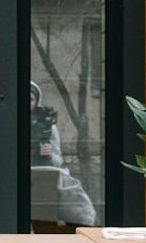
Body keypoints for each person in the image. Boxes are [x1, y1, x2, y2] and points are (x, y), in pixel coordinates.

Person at [30, 81, 97, 226]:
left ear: (37, 101)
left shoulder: (48, 126)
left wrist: (48, 155)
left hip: (44, 179)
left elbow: (57, 160)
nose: (28, 104)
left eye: (31, 100)